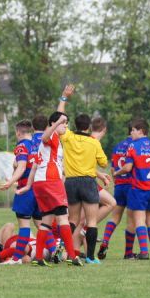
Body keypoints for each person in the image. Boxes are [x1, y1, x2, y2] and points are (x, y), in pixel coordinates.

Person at [16, 111, 83, 267]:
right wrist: (58, 120)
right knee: (63, 219)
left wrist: (28, 186)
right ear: (54, 124)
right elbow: (47, 135)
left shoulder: (47, 142)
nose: (66, 126)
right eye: (64, 124)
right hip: (51, 181)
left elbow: (34, 167)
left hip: (40, 183)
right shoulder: (50, 136)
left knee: (46, 221)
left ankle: (38, 257)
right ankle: (72, 256)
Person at [57, 85, 108, 264]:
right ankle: (91, 257)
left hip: (70, 182)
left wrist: (64, 98)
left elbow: (59, 118)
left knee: (72, 219)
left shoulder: (68, 137)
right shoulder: (94, 142)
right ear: (88, 127)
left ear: (75, 125)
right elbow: (103, 163)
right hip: (88, 182)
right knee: (91, 221)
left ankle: (60, 246)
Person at [113, 118, 150, 260]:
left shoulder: (133, 146)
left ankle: (144, 252)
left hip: (139, 188)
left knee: (139, 219)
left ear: (140, 131)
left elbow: (128, 167)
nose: (131, 133)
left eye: (133, 130)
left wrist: (116, 173)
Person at [0, 119, 42, 265]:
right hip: (40, 189)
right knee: (42, 225)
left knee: (24, 225)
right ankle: (55, 250)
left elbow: (22, 167)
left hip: (26, 190)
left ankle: (16, 258)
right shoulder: (38, 144)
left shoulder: (22, 145)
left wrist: (10, 182)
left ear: (18, 132)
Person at [99, 124, 136, 260]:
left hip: (120, 185)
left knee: (115, 216)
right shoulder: (135, 145)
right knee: (131, 220)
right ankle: (128, 253)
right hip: (132, 185)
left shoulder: (118, 146)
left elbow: (113, 168)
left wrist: (116, 181)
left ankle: (105, 241)